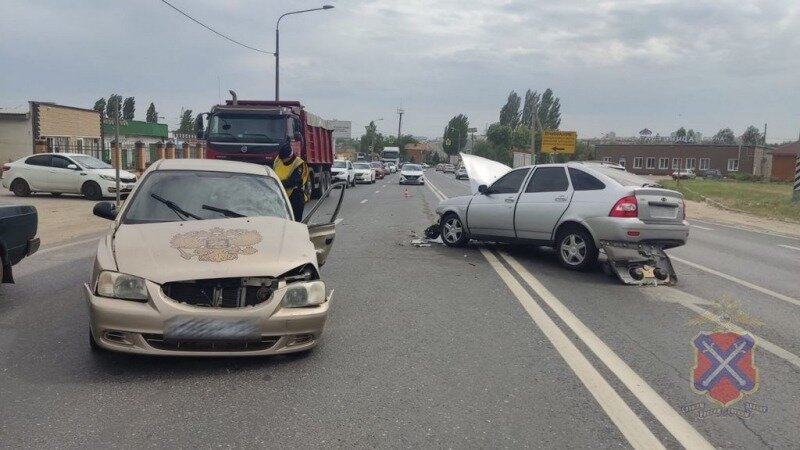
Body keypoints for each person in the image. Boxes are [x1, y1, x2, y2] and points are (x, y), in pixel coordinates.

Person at [273, 143, 309, 222]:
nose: (282, 160)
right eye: (281, 158)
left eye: (284, 159)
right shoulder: (278, 160)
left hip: (295, 196)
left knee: (295, 221)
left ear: (289, 156)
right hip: (279, 195)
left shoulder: (298, 164)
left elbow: (293, 181)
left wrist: (277, 184)